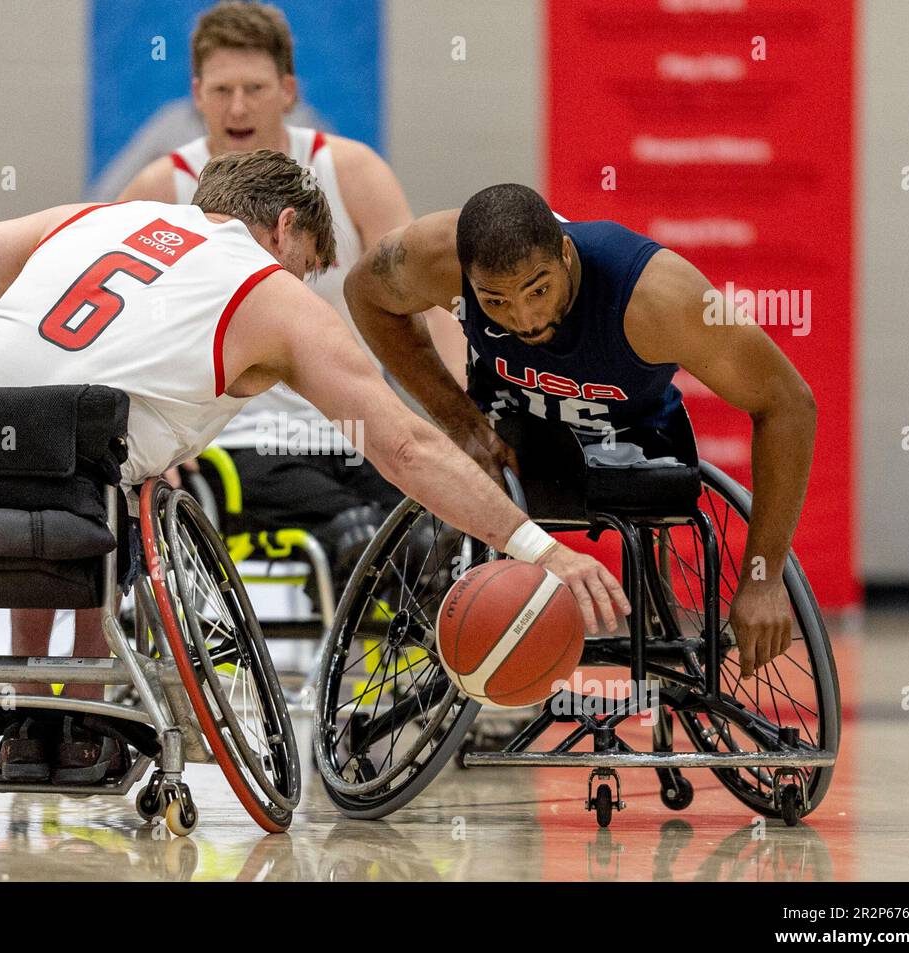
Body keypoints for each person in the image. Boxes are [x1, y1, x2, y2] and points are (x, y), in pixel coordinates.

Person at [0, 152, 629, 781]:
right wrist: (538, 545)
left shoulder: (93, 218)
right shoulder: (270, 295)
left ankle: (33, 721)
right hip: (74, 502)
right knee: (106, 481)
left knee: (100, 468)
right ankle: (74, 726)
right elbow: (407, 448)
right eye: (308, 266)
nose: (303, 285)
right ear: (284, 229)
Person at [343, 183, 817, 680]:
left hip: (630, 435)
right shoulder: (434, 253)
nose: (524, 318)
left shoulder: (659, 296)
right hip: (513, 431)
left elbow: (788, 404)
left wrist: (763, 579)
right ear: (466, 279)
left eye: (539, 289)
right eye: (495, 301)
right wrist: (460, 423)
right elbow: (365, 293)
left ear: (565, 254)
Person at [119, 1, 465, 586]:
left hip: (353, 426)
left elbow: (426, 304)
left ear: (287, 90)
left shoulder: (350, 172)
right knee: (360, 533)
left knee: (448, 531)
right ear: (197, 94)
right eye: (222, 89)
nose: (237, 107)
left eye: (253, 88)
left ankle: (435, 676)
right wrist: (138, 440)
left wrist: (461, 414)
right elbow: (119, 321)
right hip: (234, 441)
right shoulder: (163, 187)